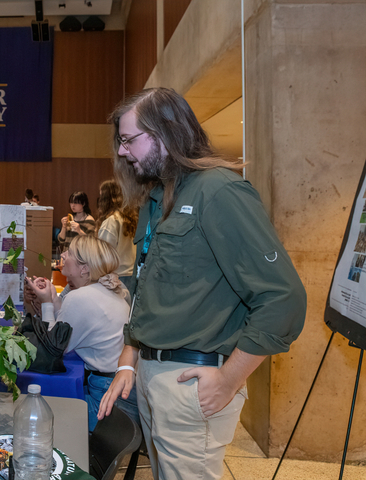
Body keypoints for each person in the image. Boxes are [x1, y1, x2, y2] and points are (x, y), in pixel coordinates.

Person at [97, 88, 307, 480]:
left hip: (191, 383)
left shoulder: (219, 191)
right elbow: (148, 294)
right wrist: (128, 363)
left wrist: (228, 380)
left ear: (166, 132)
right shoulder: (156, 198)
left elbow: (283, 299)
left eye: (129, 140)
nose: (123, 152)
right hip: (150, 374)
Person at [26, 235, 137, 432]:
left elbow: (52, 348)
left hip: (104, 397)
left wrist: (46, 303)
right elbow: (71, 325)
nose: (63, 254)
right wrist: (52, 300)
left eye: (69, 253)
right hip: (119, 391)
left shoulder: (80, 297)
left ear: (84, 268)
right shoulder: (107, 291)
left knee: (40, 409)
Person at [96, 179, 138, 287]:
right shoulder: (130, 219)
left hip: (116, 277)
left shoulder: (111, 221)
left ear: (106, 199)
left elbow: (104, 256)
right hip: (132, 274)